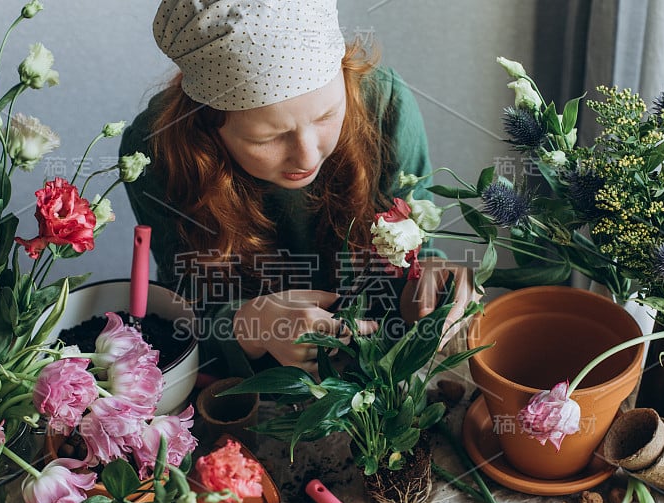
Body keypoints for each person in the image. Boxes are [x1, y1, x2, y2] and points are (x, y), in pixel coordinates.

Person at [121, 0, 477, 378]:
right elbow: (182, 312)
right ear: (208, 124)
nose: (307, 155)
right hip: (248, 388)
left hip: (379, 371)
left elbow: (416, 251)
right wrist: (251, 324)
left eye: (326, 116)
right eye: (267, 137)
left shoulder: (384, 105)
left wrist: (430, 284)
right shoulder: (156, 151)